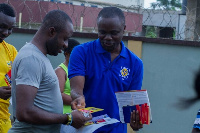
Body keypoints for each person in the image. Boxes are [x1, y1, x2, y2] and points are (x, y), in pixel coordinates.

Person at [9, 10, 91, 133]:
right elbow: (24, 112)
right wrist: (68, 118)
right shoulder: (31, 58)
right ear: (52, 31)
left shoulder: (39, 56)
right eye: (64, 39)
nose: (65, 45)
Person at [68, 7, 143, 133]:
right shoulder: (81, 52)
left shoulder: (135, 63)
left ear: (124, 29)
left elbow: (131, 105)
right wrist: (78, 98)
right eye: (102, 32)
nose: (108, 37)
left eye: (114, 33)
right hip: (85, 129)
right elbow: (76, 90)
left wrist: (136, 121)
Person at [0, 3, 17, 133]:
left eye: (10, 29)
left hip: (4, 119)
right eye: (2, 27)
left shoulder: (11, 51)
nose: (6, 33)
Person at [55, 38, 80, 114]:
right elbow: (58, 95)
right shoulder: (60, 71)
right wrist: (78, 101)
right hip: (65, 114)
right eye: (75, 54)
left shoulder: (79, 70)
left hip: (78, 111)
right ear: (67, 54)